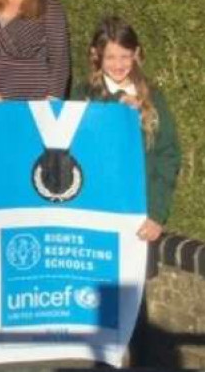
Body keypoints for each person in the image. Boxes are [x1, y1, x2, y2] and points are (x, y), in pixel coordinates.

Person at [73, 17, 180, 242]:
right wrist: (117, 105)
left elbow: (167, 155)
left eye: (125, 56)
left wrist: (156, 214)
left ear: (136, 54)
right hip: (93, 208)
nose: (118, 64)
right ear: (96, 55)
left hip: (138, 212)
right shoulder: (82, 95)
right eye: (110, 57)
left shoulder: (152, 97)